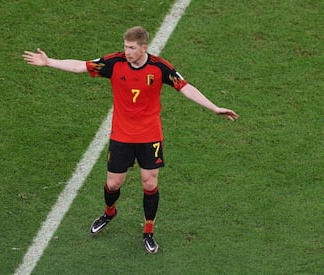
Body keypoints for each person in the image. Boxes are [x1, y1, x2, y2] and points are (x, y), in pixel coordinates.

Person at [22, 26, 239, 254]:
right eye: (125, 46)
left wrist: (214, 108)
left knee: (149, 183)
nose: (127, 51)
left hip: (150, 135)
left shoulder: (160, 67)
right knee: (114, 183)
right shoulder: (114, 63)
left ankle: (148, 231)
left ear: (144, 47)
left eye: (132, 48)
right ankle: (109, 212)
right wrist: (49, 62)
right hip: (122, 135)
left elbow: (185, 88)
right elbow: (80, 66)